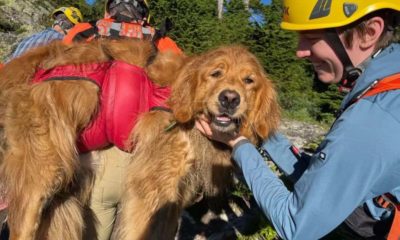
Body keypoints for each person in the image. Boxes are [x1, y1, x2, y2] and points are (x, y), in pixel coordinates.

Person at [196, 0, 400, 239]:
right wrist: (258, 133)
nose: (300, 51)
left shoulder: (373, 119)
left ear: (369, 33)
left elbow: (296, 225)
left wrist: (239, 146)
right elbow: (328, 174)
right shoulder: (387, 88)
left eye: (311, 38)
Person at [62, 1, 181, 239]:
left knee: (94, 220)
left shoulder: (85, 31)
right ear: (145, 14)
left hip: (89, 150)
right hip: (142, 151)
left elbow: (57, 71)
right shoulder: (162, 41)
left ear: (108, 10)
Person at [9, 6, 83, 60]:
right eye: (58, 17)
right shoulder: (59, 40)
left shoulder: (32, 37)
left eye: (64, 18)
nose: (59, 21)